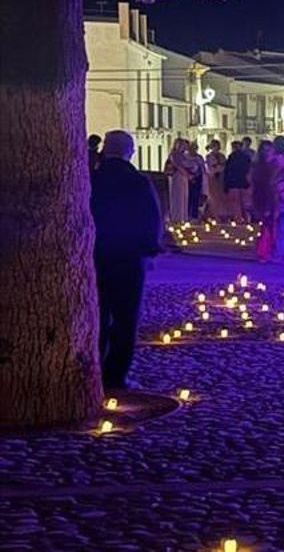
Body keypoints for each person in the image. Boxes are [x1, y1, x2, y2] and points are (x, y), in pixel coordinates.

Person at [91, 130, 165, 390]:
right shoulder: (138, 181)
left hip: (96, 256)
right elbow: (151, 218)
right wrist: (151, 249)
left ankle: (94, 370)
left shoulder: (92, 179)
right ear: (129, 151)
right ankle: (116, 375)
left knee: (97, 315)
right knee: (125, 318)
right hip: (129, 258)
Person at [249, 142, 284, 263]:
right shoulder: (260, 166)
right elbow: (257, 183)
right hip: (264, 197)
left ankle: (268, 250)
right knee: (268, 224)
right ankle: (264, 251)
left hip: (275, 196)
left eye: (270, 150)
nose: (268, 152)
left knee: (273, 225)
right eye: (265, 150)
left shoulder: (275, 164)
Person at [163, 138, 198, 224]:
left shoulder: (183, 155)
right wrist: (188, 173)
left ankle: (182, 217)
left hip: (183, 178)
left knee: (183, 197)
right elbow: (179, 165)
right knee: (177, 197)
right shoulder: (175, 155)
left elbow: (190, 164)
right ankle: (177, 218)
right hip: (177, 177)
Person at [223, 140, 250, 221]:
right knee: (243, 203)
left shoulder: (233, 157)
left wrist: (226, 184)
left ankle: (239, 219)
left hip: (235, 183)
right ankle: (245, 218)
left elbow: (227, 171)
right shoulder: (245, 157)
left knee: (236, 203)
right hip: (242, 183)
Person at [202, 140, 226, 219]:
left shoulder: (222, 156)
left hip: (221, 178)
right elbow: (209, 168)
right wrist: (216, 169)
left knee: (220, 195)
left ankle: (220, 213)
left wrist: (220, 168)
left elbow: (224, 166)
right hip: (212, 178)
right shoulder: (209, 156)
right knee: (212, 196)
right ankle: (212, 214)